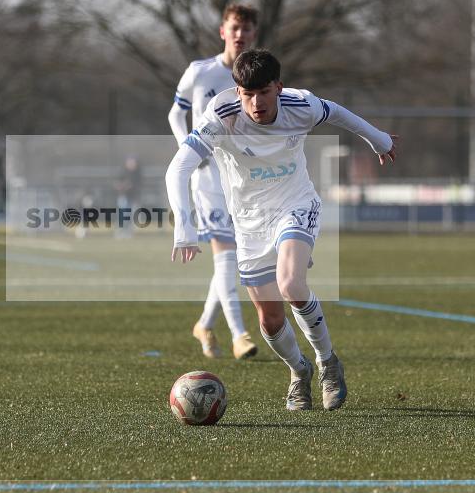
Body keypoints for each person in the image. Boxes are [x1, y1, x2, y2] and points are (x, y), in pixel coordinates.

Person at [165, 49, 398, 411]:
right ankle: (298, 370)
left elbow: (336, 111)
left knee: (291, 284)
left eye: (263, 92)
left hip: (296, 205)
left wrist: (377, 138)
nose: (255, 103)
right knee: (269, 320)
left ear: (278, 87)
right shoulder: (221, 116)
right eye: (247, 94)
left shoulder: (300, 105)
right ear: (237, 91)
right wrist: (184, 227)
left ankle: (327, 363)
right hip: (249, 222)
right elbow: (177, 168)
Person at [167, 3, 260, 361]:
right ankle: (240, 335)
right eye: (235, 28)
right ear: (223, 31)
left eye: (247, 29)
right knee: (226, 256)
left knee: (235, 260)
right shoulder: (200, 71)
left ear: (254, 34)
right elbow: (176, 112)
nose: (240, 35)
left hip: (242, 179)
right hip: (207, 179)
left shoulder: (253, 76)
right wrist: (189, 149)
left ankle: (205, 324)